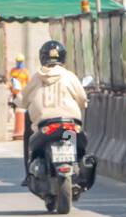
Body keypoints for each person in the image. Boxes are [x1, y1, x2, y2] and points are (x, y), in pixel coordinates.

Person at [19, 39, 89, 181]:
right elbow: (83, 100)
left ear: (42, 58)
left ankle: (28, 175)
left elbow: (22, 100)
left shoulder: (37, 77)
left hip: (44, 127)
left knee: (27, 133)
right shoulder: (70, 76)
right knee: (82, 148)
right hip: (69, 126)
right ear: (63, 58)